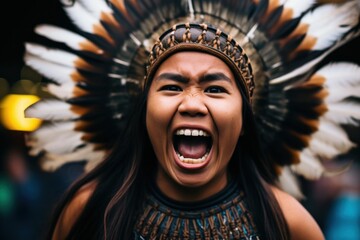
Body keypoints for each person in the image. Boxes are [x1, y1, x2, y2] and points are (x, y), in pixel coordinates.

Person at [46, 23, 325, 240]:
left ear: (243, 123)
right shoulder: (89, 211)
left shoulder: (290, 224)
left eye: (215, 89)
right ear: (145, 115)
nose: (192, 104)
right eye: (172, 87)